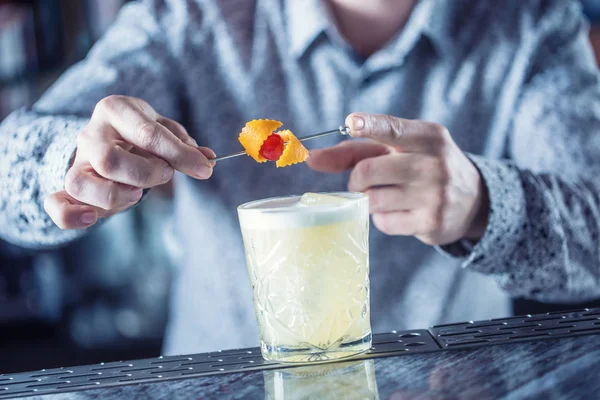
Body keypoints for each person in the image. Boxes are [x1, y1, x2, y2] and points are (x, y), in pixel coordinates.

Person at [1, 0, 600, 355]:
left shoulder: (535, 26)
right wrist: (71, 163)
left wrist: (485, 204)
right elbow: (11, 172)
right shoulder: (189, 16)